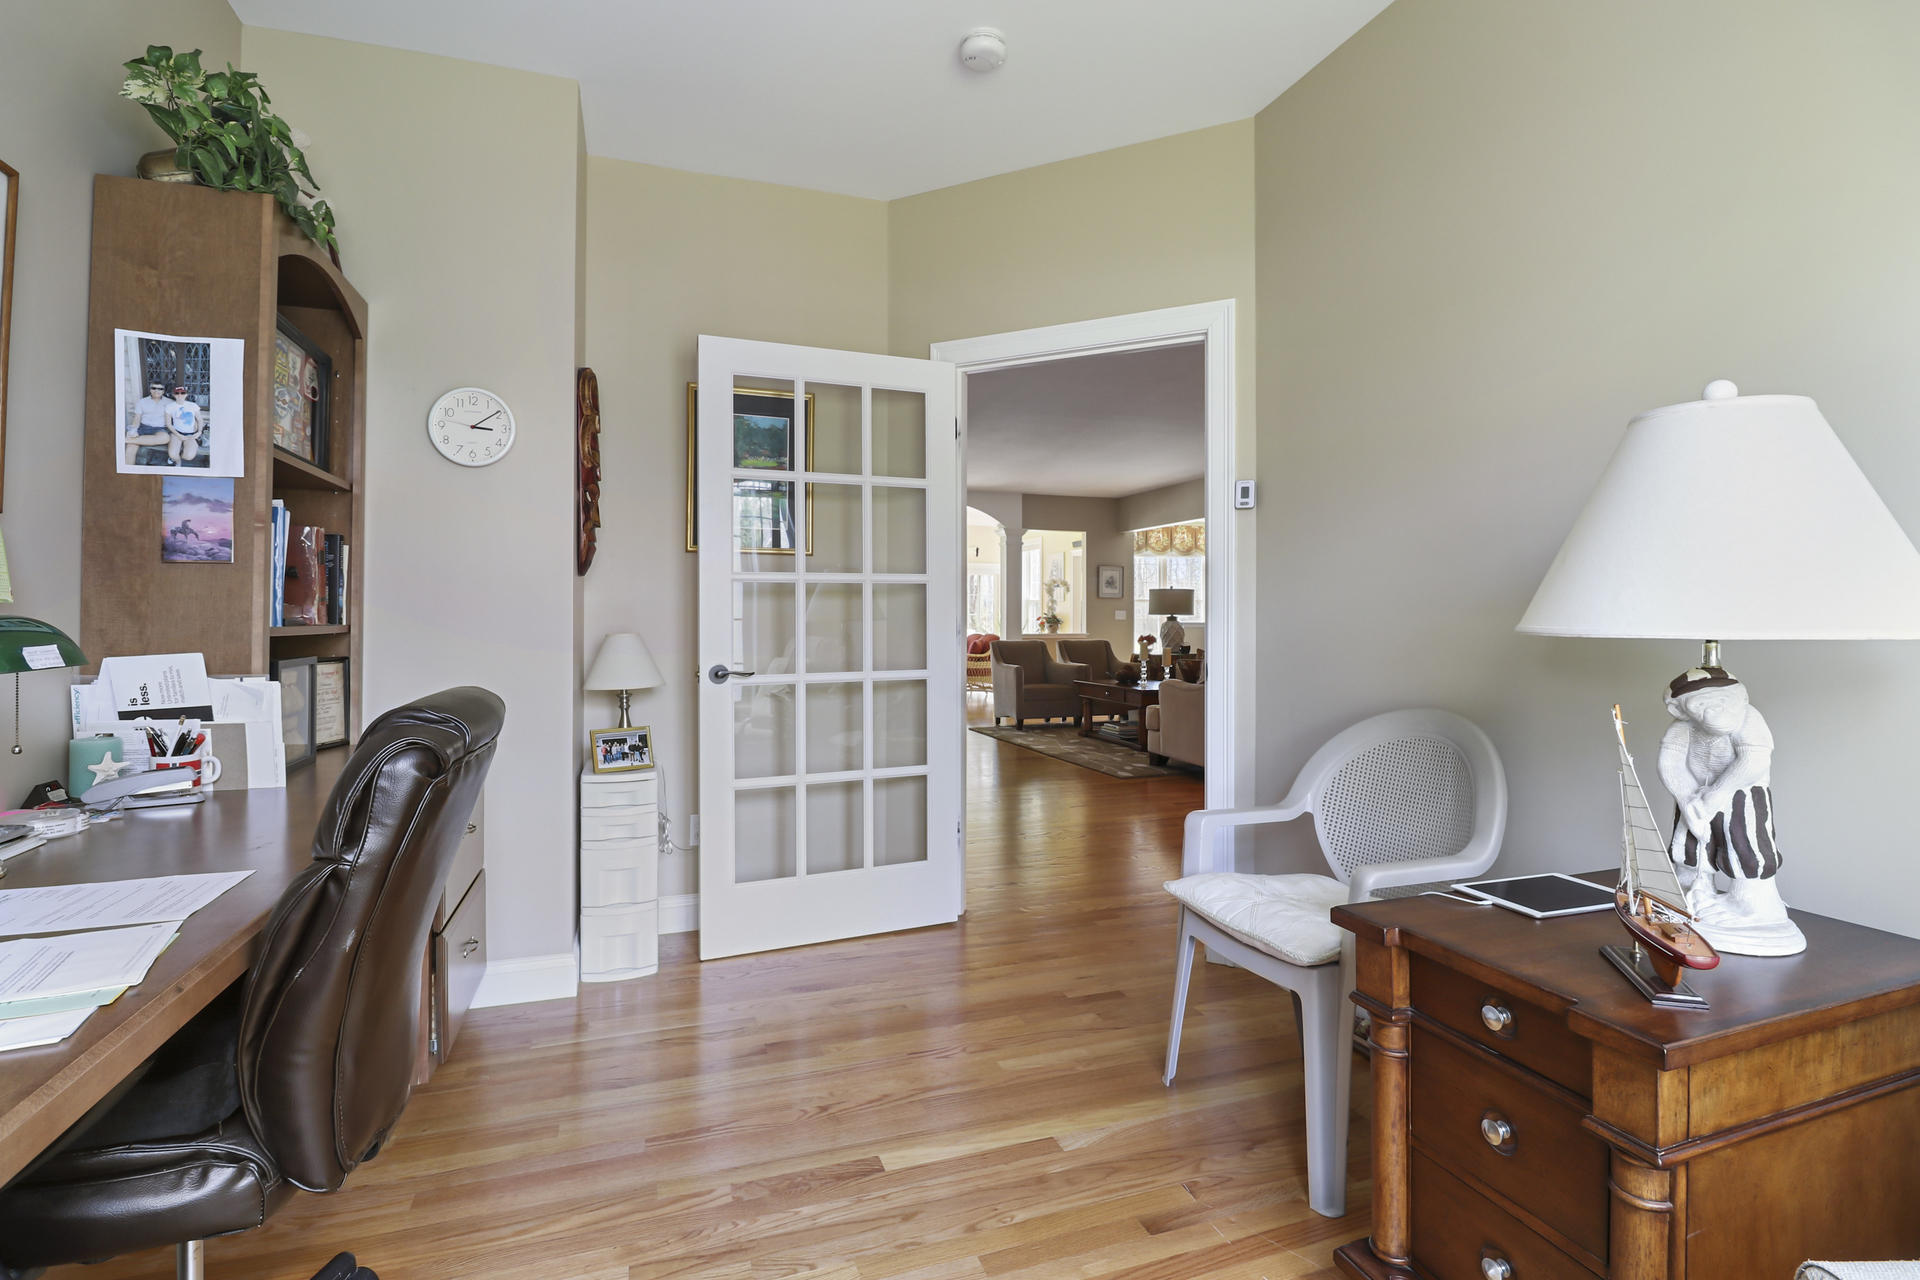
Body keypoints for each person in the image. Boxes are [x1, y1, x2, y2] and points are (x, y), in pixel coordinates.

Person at [126, 380, 172, 465]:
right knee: (130, 448)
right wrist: (133, 430)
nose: (156, 391)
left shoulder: (169, 402)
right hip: (143, 428)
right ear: (150, 389)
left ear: (163, 391)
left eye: (160, 389)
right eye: (154, 388)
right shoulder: (142, 402)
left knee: (165, 438)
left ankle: (126, 440)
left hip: (160, 429)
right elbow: (137, 419)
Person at [165, 386, 202, 465]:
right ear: (174, 395)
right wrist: (178, 435)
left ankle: (179, 455)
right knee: (172, 454)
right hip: (176, 433)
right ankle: (178, 462)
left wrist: (199, 432)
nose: (180, 395)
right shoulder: (169, 406)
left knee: (188, 456)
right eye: (177, 393)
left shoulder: (193, 405)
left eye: (182, 393)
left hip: (190, 434)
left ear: (186, 394)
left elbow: (199, 420)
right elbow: (168, 424)